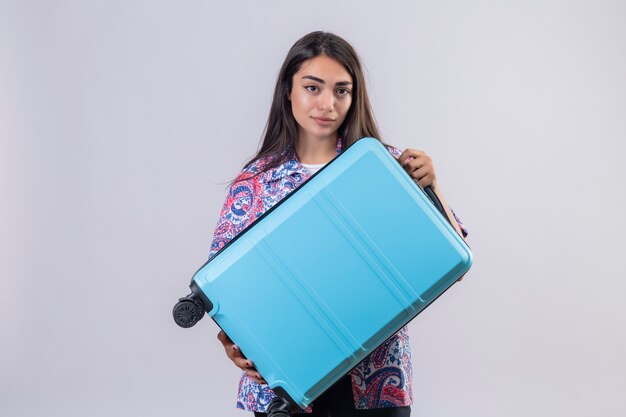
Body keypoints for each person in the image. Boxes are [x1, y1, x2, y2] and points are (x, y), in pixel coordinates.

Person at [208, 31, 468, 417]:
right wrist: (232, 344)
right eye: (313, 87)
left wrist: (434, 188)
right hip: (284, 382)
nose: (327, 104)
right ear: (288, 90)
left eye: (342, 91)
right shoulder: (255, 183)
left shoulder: (388, 166)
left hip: (374, 381)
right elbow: (224, 289)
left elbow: (451, 263)